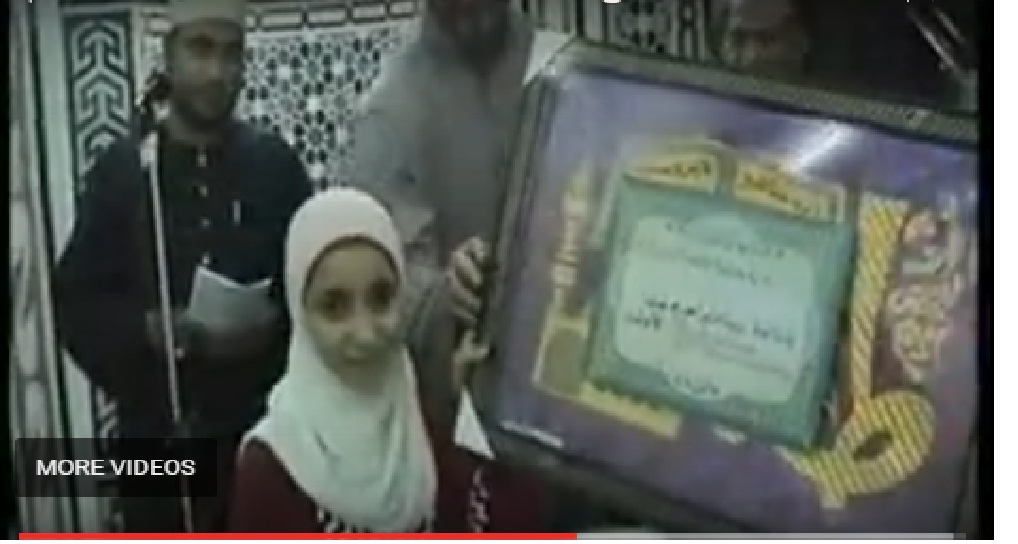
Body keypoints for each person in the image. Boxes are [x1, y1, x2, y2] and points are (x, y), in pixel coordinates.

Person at [345, 0, 617, 533]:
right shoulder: (391, 109)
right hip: (466, 424)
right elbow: (390, 271)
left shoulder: (567, 69)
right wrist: (450, 291)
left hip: (583, 413)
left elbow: (614, 196)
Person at [51, 0, 313, 532]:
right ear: (169, 55)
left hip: (266, 445)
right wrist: (149, 330)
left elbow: (317, 292)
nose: (217, 71)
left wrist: (273, 328)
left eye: (231, 53)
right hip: (159, 453)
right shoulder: (125, 173)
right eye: (201, 49)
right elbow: (77, 303)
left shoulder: (276, 168)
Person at [228, 187, 491, 533]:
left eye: (382, 298)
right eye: (334, 306)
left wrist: (475, 413)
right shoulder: (269, 466)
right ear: (301, 315)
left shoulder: (423, 423)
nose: (366, 333)